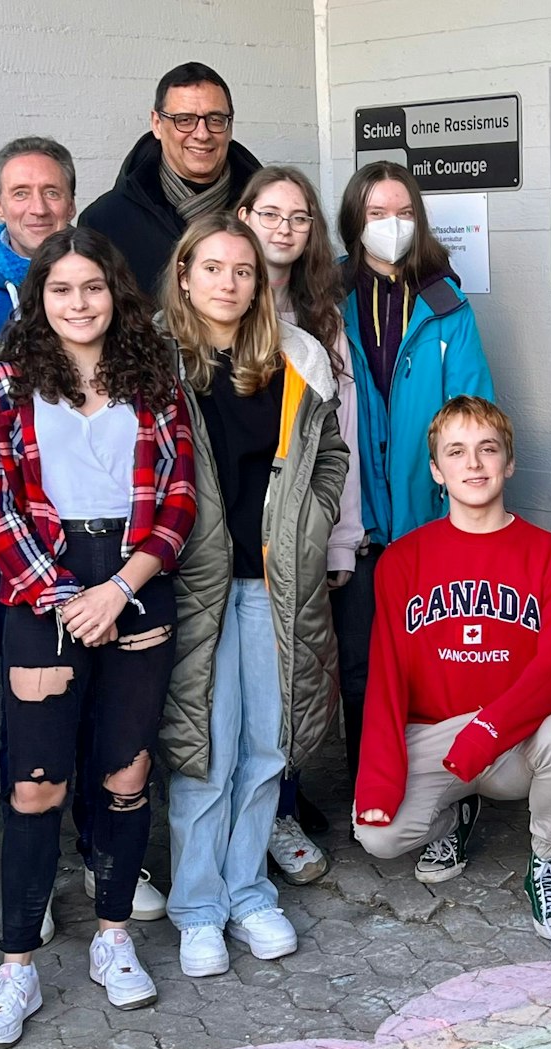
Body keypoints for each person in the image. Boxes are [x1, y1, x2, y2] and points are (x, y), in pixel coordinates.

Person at [0, 227, 196, 1046]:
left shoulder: (154, 378)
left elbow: (178, 502)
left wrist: (121, 585)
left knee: (125, 774)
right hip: (44, 587)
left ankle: (113, 938)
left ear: (116, 292)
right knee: (37, 783)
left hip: (134, 581)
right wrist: (70, 597)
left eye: (92, 287)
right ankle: (17, 965)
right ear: (39, 298)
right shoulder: (7, 380)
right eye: (61, 290)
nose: (78, 303)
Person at [156, 212, 346, 978]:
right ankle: (197, 906)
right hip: (193, 586)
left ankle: (248, 891)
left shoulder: (295, 357)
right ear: (185, 275)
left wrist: (316, 520)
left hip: (275, 582)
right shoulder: (155, 361)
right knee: (206, 747)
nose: (229, 283)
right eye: (213, 269)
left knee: (267, 745)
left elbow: (329, 454)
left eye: (243, 270)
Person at [352, 396, 551, 942]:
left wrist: (486, 731)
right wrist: (376, 782)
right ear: (437, 470)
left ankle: (548, 863)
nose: (474, 463)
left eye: (488, 449)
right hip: (437, 737)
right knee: (378, 837)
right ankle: (452, 818)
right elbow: (387, 680)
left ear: (508, 462)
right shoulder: (402, 561)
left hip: (515, 740)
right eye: (456, 452)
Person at [333, 160, 494, 788]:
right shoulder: (329, 303)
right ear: (354, 221)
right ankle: (367, 786)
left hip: (430, 519)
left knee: (438, 662)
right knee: (358, 666)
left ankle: (445, 792)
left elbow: (475, 419)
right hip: (356, 518)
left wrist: (458, 512)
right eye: (376, 214)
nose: (390, 225)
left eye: (402, 213)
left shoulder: (446, 307)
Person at [234, 165, 362, 884]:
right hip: (224, 541)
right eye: (270, 213)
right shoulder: (211, 308)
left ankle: (279, 812)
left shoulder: (320, 319)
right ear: (242, 216)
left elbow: (340, 439)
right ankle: (231, 828)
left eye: (300, 217)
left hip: (296, 535)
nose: (284, 228)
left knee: (287, 682)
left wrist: (339, 533)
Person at [80, 61, 262, 297]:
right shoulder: (104, 223)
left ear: (230, 126)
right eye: (184, 120)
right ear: (157, 124)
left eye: (215, 119)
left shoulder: (267, 216)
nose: (201, 134)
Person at [0, 136, 78, 337]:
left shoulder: (105, 290)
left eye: (51, 193)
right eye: (21, 193)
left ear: (70, 206)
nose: (38, 209)